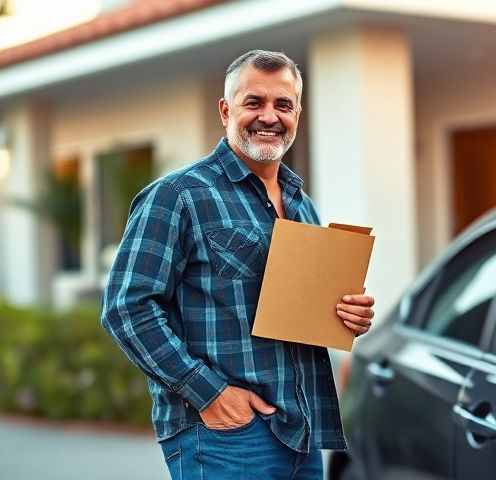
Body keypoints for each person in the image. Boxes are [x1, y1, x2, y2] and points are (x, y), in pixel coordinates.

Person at [101, 50, 375, 480]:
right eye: (255, 102)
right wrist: (208, 394)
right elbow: (126, 308)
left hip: (301, 430)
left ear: (297, 114)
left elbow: (300, 315)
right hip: (224, 435)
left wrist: (347, 315)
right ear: (226, 110)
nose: (270, 115)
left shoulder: (303, 207)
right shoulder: (178, 195)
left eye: (283, 105)